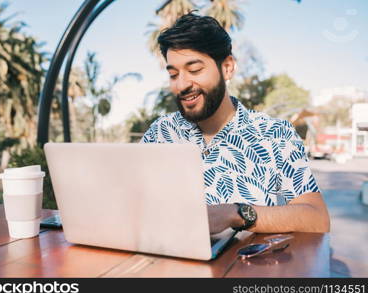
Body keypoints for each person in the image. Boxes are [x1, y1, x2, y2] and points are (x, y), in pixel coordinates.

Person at [141, 12, 330, 234]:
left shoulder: (274, 134)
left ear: (228, 67)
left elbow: (317, 218)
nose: (181, 85)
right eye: (173, 74)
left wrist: (235, 214)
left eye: (194, 70)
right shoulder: (160, 133)